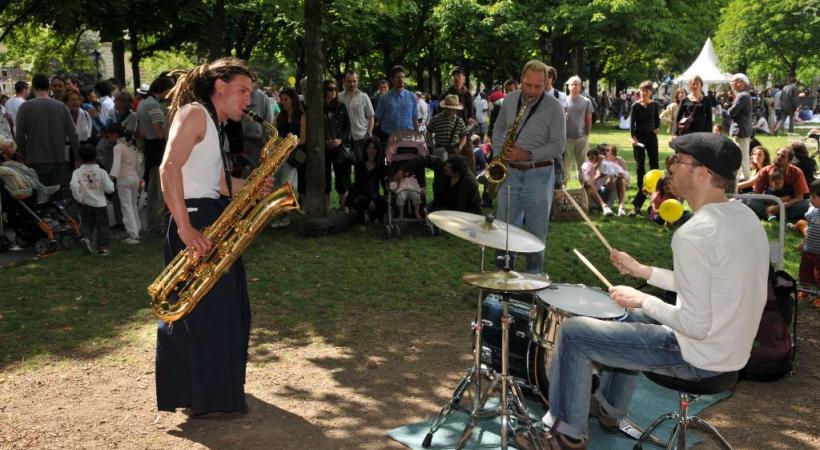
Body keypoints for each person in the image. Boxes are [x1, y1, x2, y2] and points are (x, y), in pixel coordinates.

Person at [516, 132, 768, 450]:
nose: (670, 167)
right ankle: (608, 408)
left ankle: (565, 436)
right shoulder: (744, 216)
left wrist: (644, 299)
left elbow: (694, 325)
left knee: (574, 333)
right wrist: (643, 271)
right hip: (731, 351)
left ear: (703, 173)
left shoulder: (694, 234)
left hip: (699, 356)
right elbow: (711, 281)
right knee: (627, 316)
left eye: (678, 161)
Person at [156, 57, 271, 418]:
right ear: (219, 86)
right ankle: (207, 396)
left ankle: (213, 394)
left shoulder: (213, 123)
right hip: (194, 220)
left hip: (210, 216)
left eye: (250, 93)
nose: (248, 100)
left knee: (225, 312)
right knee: (208, 316)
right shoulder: (194, 114)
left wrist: (253, 187)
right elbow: (168, 168)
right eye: (242, 90)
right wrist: (185, 227)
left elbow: (218, 183)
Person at [491, 60, 565, 275]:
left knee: (536, 234)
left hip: (539, 174)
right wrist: (499, 154)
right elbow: (499, 128)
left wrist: (528, 154)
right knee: (504, 231)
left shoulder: (554, 107)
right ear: (521, 80)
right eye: (528, 85)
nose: (532, 91)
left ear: (546, 83)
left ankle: (533, 280)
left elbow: (558, 146)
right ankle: (502, 279)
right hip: (509, 172)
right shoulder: (509, 100)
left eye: (538, 87)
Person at [14, 74, 80, 194]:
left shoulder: (25, 107)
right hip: (58, 158)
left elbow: (19, 137)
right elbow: (73, 134)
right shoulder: (61, 107)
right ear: (49, 87)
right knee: (59, 194)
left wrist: (24, 155)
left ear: (33, 87)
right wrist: (77, 156)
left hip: (35, 159)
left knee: (40, 196)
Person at [70, 144, 115, 256]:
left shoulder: (77, 172)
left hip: (86, 204)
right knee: (103, 226)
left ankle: (86, 239)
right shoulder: (101, 172)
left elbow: (73, 185)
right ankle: (102, 248)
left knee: (86, 224)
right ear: (96, 157)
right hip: (100, 204)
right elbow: (110, 188)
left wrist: (79, 198)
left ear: (80, 159)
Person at [745, 146, 809, 221]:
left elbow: (799, 198)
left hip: (788, 205)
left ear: (789, 161)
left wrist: (780, 206)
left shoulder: (796, 172)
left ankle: (770, 215)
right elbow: (757, 194)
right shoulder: (765, 171)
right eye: (778, 155)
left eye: (783, 156)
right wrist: (773, 201)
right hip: (768, 203)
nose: (779, 157)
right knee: (750, 200)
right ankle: (773, 214)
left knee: (806, 204)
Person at [629, 80, 660, 215]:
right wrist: (633, 137)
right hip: (639, 138)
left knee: (654, 165)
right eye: (642, 90)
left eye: (647, 90)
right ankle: (641, 189)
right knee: (640, 166)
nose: (644, 92)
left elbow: (657, 120)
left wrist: (657, 128)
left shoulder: (654, 105)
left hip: (651, 137)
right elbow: (632, 123)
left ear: (651, 92)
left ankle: (655, 194)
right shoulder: (635, 106)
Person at [108, 124, 142, 244]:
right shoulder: (132, 146)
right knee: (133, 205)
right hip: (135, 178)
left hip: (124, 179)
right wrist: (139, 178)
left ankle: (133, 235)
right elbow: (138, 164)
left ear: (115, 135)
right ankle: (137, 228)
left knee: (126, 207)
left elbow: (116, 164)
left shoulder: (118, 147)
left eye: (109, 136)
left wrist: (110, 178)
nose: (109, 139)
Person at [322, 79, 352, 210]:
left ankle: (345, 208)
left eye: (335, 89)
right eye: (330, 89)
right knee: (325, 180)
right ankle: (325, 209)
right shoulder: (319, 108)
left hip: (339, 147)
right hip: (324, 148)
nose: (333, 91)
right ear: (324, 91)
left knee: (342, 180)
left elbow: (347, 128)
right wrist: (324, 142)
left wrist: (339, 140)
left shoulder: (341, 106)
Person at [345, 137, 386, 224]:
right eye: (370, 148)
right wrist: (370, 200)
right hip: (361, 192)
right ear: (366, 149)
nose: (372, 151)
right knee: (362, 200)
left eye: (374, 148)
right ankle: (360, 221)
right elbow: (359, 184)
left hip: (374, 193)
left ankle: (375, 217)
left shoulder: (380, 164)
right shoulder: (359, 164)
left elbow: (383, 182)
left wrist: (386, 194)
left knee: (383, 201)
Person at [562, 76, 593, 185]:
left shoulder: (587, 101)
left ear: (580, 87)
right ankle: (564, 188)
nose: (574, 86)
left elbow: (588, 119)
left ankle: (583, 189)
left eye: (576, 84)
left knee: (583, 165)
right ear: (568, 87)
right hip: (566, 138)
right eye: (572, 84)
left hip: (581, 138)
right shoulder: (563, 101)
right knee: (565, 165)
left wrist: (587, 134)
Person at [338, 69, 375, 163]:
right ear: (343, 81)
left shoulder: (364, 97)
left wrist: (368, 134)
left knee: (362, 165)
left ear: (357, 81)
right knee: (345, 166)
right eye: (349, 81)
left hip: (361, 137)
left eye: (354, 81)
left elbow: (371, 117)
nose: (352, 84)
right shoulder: (339, 97)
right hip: (344, 139)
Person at [374, 66, 417, 143]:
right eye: (397, 77)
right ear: (392, 79)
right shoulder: (384, 98)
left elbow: (414, 118)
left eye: (402, 77)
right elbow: (378, 119)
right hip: (388, 136)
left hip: (408, 137)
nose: (401, 80)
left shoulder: (412, 97)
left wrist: (417, 135)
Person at [798, 180, 820, 307]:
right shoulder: (812, 211)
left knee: (818, 274)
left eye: (814, 197)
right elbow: (810, 229)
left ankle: (819, 296)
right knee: (805, 272)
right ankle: (805, 290)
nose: (811, 200)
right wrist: (804, 242)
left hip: (819, 253)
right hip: (808, 250)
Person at [727, 73, 753, 181]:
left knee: (742, 156)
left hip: (741, 130)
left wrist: (727, 110)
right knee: (740, 155)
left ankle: (746, 179)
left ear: (745, 83)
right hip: (741, 130)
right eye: (735, 81)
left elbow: (732, 112)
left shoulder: (743, 96)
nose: (737, 83)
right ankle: (741, 178)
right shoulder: (743, 95)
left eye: (740, 81)